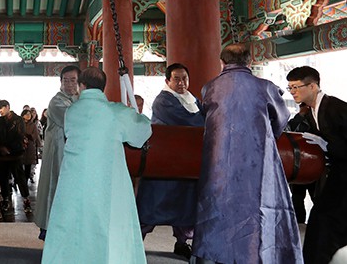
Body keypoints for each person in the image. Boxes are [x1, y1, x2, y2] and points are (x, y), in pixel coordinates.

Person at [191, 44, 302, 263]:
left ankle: (214, 257)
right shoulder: (266, 87)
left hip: (219, 162)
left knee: (217, 207)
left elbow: (205, 118)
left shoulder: (210, 88)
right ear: (248, 62)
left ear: (222, 62)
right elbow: (281, 118)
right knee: (260, 207)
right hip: (257, 160)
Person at [42, 67, 152, 263]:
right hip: (107, 179)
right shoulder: (115, 111)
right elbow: (140, 134)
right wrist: (137, 114)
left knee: (74, 223)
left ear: (81, 85)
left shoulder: (72, 111)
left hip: (74, 179)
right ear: (103, 87)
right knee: (108, 224)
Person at [136, 63, 204, 259]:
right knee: (153, 205)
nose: (181, 83)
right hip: (163, 163)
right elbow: (191, 122)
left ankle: (182, 243)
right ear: (167, 81)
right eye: (176, 78)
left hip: (184, 163)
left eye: (184, 78)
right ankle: (135, 242)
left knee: (185, 205)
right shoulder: (163, 101)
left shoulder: (193, 100)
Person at [286, 66, 347, 264]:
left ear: (312, 86)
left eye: (296, 87)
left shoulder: (336, 108)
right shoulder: (312, 112)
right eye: (290, 88)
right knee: (322, 223)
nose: (293, 91)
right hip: (339, 176)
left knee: (323, 222)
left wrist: (328, 145)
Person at [34, 65, 80, 240]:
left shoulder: (78, 99)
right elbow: (73, 120)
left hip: (72, 153)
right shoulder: (56, 101)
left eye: (73, 80)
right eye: (65, 80)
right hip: (58, 152)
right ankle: (49, 227)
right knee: (55, 186)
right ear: (60, 82)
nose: (69, 84)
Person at [0, 100, 31, 214]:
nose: (0, 111)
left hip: (15, 154)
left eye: (1, 108)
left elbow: (20, 136)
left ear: (7, 107)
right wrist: (1, 147)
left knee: (20, 178)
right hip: (2, 155)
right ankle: (6, 199)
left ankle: (26, 199)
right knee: (3, 179)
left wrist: (9, 148)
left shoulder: (18, 120)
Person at [21, 109, 41, 188]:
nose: (28, 116)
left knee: (28, 165)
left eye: (29, 114)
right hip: (21, 146)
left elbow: (35, 136)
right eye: (26, 114)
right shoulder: (20, 124)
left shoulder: (32, 125)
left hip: (30, 147)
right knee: (20, 164)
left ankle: (26, 181)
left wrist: (28, 137)